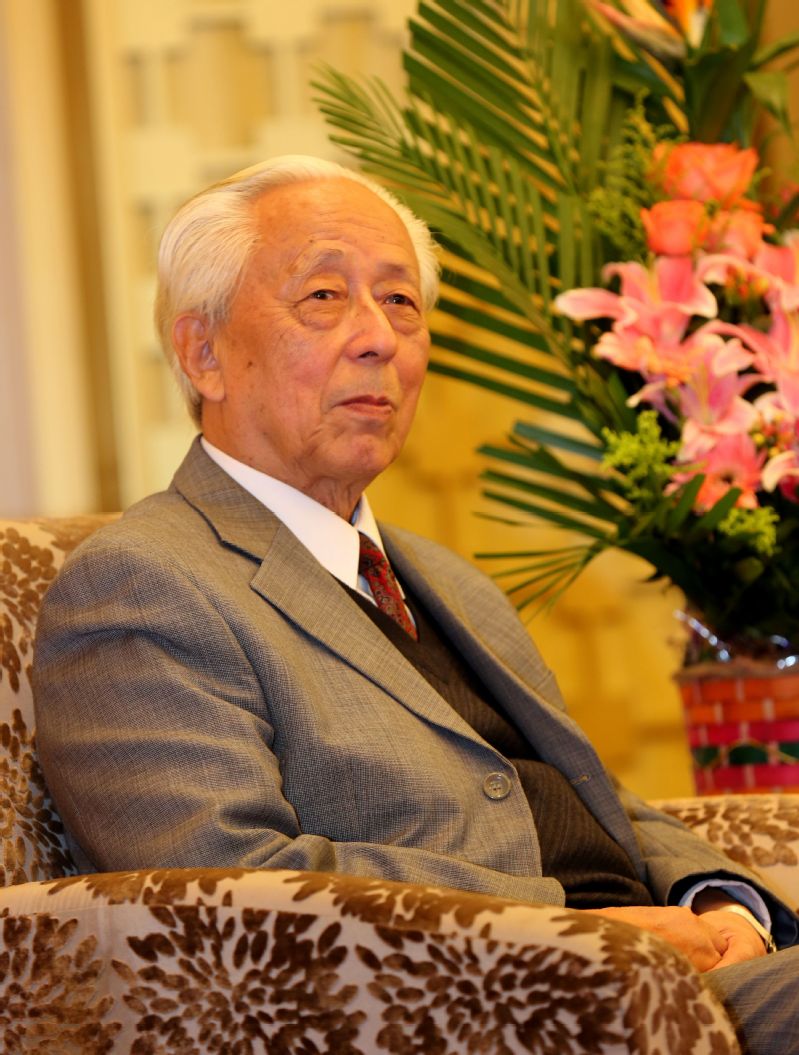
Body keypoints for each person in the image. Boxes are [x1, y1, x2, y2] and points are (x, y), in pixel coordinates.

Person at [33, 155, 798, 1053]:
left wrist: (721, 903)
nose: (378, 338)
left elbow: (588, 802)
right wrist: (577, 931)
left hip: (677, 992)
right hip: (498, 1006)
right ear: (203, 353)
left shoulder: (445, 578)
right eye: (324, 296)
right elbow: (225, 893)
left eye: (400, 302)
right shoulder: (142, 582)